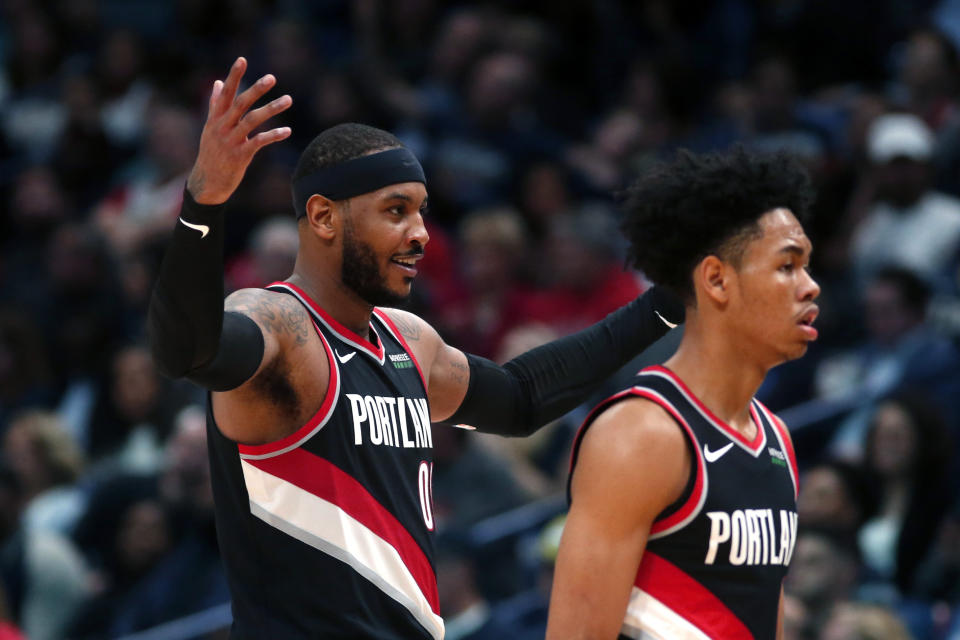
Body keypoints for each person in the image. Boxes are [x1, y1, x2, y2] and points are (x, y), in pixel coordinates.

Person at [146, 57, 682, 639]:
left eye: (422, 211)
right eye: (396, 211)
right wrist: (204, 204)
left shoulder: (409, 339)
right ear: (324, 217)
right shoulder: (277, 323)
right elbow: (189, 353)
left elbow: (522, 398)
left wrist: (664, 304)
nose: (422, 233)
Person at [546, 148, 819, 639]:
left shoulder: (776, 437)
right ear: (717, 280)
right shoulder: (640, 434)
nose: (810, 287)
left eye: (807, 267)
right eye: (787, 267)